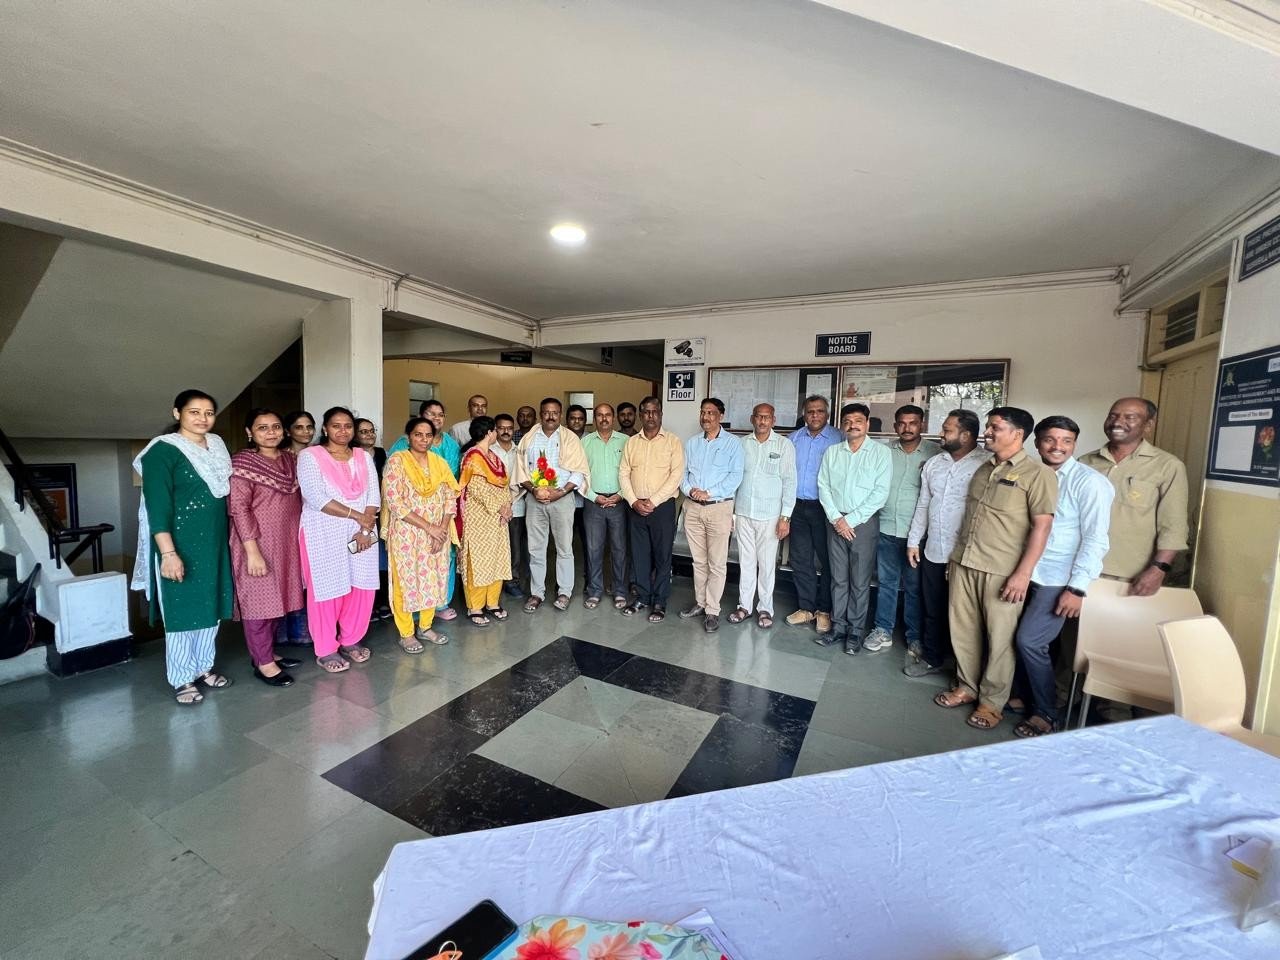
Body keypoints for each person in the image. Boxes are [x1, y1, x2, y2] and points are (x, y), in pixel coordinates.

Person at [935, 406, 1058, 731]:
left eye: (995, 427)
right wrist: (955, 559)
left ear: (1018, 434)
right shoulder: (983, 468)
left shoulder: (1037, 474)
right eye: (989, 426)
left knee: (1000, 638)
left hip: (1002, 569)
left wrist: (1022, 574)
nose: (987, 432)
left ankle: (991, 702)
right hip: (965, 561)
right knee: (963, 630)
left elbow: (1042, 527)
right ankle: (966, 686)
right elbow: (969, 518)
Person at [1011, 416, 1113, 737]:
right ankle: (1023, 696)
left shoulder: (1090, 482)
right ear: (1037, 442)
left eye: (1066, 441)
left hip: (1057, 577)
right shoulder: (1029, 474)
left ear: (1074, 444)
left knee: (1030, 641)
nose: (1058, 447)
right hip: (1023, 570)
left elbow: (1096, 539)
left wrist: (1078, 588)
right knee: (1014, 637)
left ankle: (1046, 713)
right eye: (1050, 439)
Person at [131, 389, 235, 705]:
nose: (203, 418)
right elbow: (157, 507)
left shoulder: (216, 445)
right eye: (194, 412)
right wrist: (168, 553)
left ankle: (203, 667)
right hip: (179, 545)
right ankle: (182, 678)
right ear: (177, 413)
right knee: (181, 610)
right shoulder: (162, 451)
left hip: (213, 544)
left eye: (209, 412)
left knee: (210, 607)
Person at [296, 406, 381, 672]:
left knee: (362, 585)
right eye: (336, 425)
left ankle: (351, 639)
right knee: (328, 588)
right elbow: (316, 497)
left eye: (347, 426)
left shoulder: (362, 456)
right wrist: (358, 517)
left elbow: (373, 494)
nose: (342, 431)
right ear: (325, 429)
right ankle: (326, 649)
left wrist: (365, 529)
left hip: (362, 531)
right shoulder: (310, 456)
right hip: (323, 530)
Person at [904, 409, 987, 677]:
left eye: (947, 430)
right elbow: (924, 504)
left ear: (966, 435)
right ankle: (933, 657)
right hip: (934, 549)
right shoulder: (935, 463)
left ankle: (968, 672)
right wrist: (913, 541)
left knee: (967, 615)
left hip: (968, 554)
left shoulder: (987, 465)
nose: (941, 433)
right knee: (933, 607)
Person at [1079, 398, 1189, 596]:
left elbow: (1174, 525)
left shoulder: (1167, 466)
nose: (1117, 422)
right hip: (1080, 568)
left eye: (1129, 417)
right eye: (1113, 416)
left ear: (1148, 425)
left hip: (1130, 575)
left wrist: (1158, 569)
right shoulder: (1085, 462)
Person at [228, 408, 305, 687]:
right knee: (259, 603)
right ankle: (263, 664)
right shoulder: (243, 463)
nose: (270, 432)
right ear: (250, 432)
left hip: (286, 543)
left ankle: (266, 653)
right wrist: (252, 552)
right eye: (262, 428)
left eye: (275, 426)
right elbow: (239, 508)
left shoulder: (290, 460)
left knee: (278, 600)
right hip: (256, 543)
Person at [863, 405, 941, 655]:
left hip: (917, 535)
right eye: (902, 423)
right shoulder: (884, 452)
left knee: (914, 588)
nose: (907, 428)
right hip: (886, 528)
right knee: (886, 583)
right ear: (895, 426)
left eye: (913, 423)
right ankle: (882, 630)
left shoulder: (935, 455)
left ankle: (914, 636)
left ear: (922, 425)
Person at [817, 402, 892, 654]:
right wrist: (836, 518)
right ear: (842, 425)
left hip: (863, 524)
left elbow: (880, 493)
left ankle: (855, 632)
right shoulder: (833, 452)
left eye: (858, 420)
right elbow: (823, 486)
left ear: (867, 423)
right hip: (835, 521)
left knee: (859, 582)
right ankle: (838, 627)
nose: (853, 425)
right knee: (838, 579)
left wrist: (850, 520)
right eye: (847, 421)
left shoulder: (880, 453)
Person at [382, 417, 458, 650]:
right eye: (418, 434)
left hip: (438, 532)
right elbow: (395, 502)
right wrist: (429, 528)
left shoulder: (439, 462)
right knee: (405, 582)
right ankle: (406, 633)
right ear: (408, 437)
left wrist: (441, 529)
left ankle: (425, 627)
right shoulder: (397, 461)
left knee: (433, 578)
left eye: (428, 435)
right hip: (407, 532)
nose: (423, 439)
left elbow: (450, 496)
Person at [515, 397, 590, 613]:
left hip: (563, 498)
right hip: (534, 498)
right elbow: (520, 470)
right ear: (541, 414)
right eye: (546, 412)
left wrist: (561, 492)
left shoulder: (570, 439)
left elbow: (579, 470)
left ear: (560, 414)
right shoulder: (529, 438)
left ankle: (564, 592)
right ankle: (537, 593)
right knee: (536, 548)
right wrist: (534, 490)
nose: (550, 416)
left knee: (564, 547)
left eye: (555, 412)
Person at [728, 403, 796, 629]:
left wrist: (785, 517)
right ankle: (744, 606)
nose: (762, 421)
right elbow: (734, 480)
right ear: (752, 419)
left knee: (766, 565)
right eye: (759, 417)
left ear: (773, 420)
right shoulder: (742, 444)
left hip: (770, 516)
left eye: (767, 417)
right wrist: (731, 512)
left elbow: (790, 482)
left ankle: (765, 608)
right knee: (746, 563)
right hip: (744, 512)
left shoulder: (784, 445)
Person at [679, 397, 745, 633]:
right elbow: (682, 474)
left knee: (717, 563)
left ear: (721, 416)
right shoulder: (692, 443)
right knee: (698, 561)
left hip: (719, 508)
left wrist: (709, 493)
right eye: (703, 412)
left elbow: (735, 477)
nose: (705, 417)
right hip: (693, 507)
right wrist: (690, 491)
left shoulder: (733, 444)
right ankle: (700, 602)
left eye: (711, 412)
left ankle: (712, 611)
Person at [618, 396, 685, 621]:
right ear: (641, 415)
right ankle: (642, 597)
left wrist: (653, 501)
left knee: (662, 556)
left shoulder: (673, 442)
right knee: (639, 554)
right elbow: (624, 473)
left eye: (655, 411)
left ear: (661, 414)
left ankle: (659, 601)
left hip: (662, 508)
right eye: (646, 412)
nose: (651, 416)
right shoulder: (632, 443)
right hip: (635, 507)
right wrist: (633, 501)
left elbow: (676, 476)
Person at [787, 395, 844, 634]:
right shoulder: (793, 439)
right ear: (804, 414)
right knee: (801, 559)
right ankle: (806, 608)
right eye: (810, 411)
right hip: (798, 507)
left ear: (827, 414)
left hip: (825, 509)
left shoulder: (839, 438)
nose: (815, 415)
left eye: (820, 411)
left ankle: (824, 610)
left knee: (829, 560)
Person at [458, 416, 514, 626]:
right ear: (490, 432)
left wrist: (507, 506)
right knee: (478, 561)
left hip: (498, 519)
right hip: (478, 518)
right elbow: (476, 488)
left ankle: (492, 602)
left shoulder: (493, 456)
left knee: (497, 559)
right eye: (495, 430)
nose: (497, 434)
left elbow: (504, 485)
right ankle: (475, 607)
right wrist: (500, 507)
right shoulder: (472, 456)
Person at [581, 402, 630, 610]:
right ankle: (595, 591)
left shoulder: (626, 441)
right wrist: (593, 496)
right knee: (594, 549)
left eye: (608, 414)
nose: (604, 418)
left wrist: (621, 495)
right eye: (599, 415)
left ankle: (620, 591)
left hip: (619, 502)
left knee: (619, 549)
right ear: (594, 419)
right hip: (594, 503)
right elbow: (579, 474)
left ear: (613, 417)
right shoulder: (585, 442)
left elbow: (632, 472)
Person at [277, 410, 316, 645]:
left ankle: (305, 630)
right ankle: (282, 632)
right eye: (299, 427)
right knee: (289, 575)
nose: (305, 431)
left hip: (314, 522)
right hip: (287, 522)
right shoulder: (281, 457)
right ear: (288, 431)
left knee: (309, 576)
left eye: (309, 426)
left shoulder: (319, 454)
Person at [355, 417, 391, 622]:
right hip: (358, 513)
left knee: (381, 558)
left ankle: (381, 601)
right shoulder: (352, 455)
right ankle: (366, 606)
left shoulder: (381, 453)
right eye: (363, 431)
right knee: (361, 555)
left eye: (371, 431)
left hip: (380, 512)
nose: (369, 435)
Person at [492, 413, 529, 598]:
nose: (506, 431)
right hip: (493, 508)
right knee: (494, 546)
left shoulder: (519, 451)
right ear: (495, 430)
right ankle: (494, 582)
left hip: (516, 505)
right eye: (501, 428)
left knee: (515, 546)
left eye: (509, 428)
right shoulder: (489, 451)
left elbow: (525, 478)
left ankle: (512, 581)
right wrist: (500, 503)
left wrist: (511, 500)